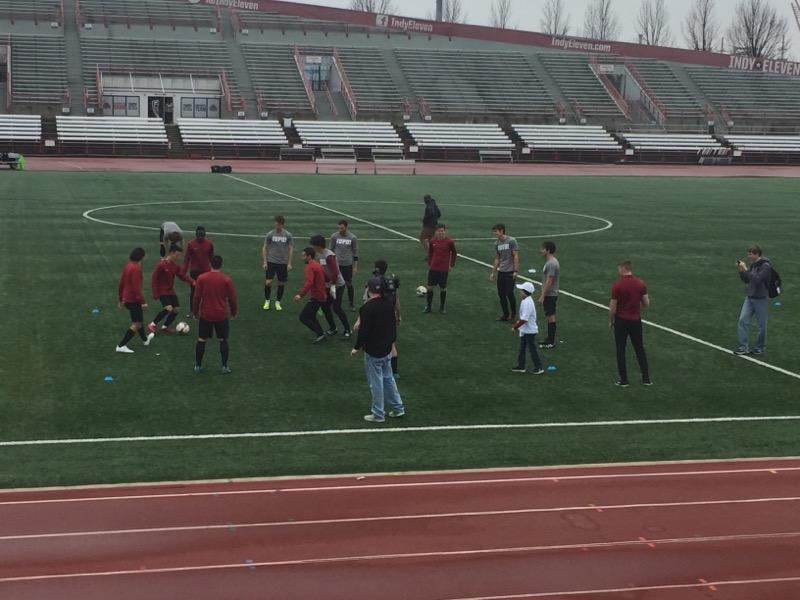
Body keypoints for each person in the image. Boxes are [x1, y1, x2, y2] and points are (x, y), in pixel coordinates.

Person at [351, 277, 405, 423]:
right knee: (388, 378)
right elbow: (392, 326)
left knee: (375, 382)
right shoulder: (388, 304)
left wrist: (356, 347)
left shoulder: (367, 308)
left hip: (373, 351)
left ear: (369, 290)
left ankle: (378, 414)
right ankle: (398, 407)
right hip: (386, 349)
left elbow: (364, 331)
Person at [609, 260, 652, 387]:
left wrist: (611, 321)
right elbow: (646, 303)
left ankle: (624, 380)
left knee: (621, 350)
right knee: (639, 349)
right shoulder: (640, 283)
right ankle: (646, 379)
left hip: (621, 321)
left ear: (623, 268)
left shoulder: (617, 285)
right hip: (635, 321)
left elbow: (613, 307)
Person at [192, 255, 237, 374]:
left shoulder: (202, 278)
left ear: (210, 264)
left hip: (206, 314)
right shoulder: (226, 279)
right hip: (221, 314)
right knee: (223, 339)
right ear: (221, 264)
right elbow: (232, 299)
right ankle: (224, 366)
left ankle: (198, 365)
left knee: (201, 339)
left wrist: (195, 312)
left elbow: (196, 297)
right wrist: (234, 312)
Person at [148, 244, 195, 334]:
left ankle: (165, 327)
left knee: (176, 309)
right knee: (169, 308)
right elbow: (154, 279)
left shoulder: (174, 265)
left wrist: (192, 281)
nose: (177, 257)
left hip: (170, 290)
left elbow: (182, 275)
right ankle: (152, 324)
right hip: (162, 290)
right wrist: (155, 293)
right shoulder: (161, 265)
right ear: (171, 253)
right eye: (177, 255)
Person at [116, 247, 155, 353]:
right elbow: (136, 289)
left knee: (138, 320)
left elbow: (121, 283)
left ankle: (145, 340)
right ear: (141, 257)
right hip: (133, 300)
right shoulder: (137, 269)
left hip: (127, 298)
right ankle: (121, 345)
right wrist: (143, 302)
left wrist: (120, 299)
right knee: (137, 324)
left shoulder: (128, 266)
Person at [735, 245, 773, 356]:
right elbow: (747, 280)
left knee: (761, 325)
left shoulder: (765, 266)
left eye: (750, 254)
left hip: (761, 298)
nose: (749, 256)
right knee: (742, 320)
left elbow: (757, 279)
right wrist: (741, 271)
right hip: (750, 297)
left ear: (757, 254)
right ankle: (743, 347)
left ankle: (760, 347)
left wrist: (746, 269)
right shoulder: (754, 264)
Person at [311, 235, 351, 337]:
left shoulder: (329, 255)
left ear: (319, 245)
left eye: (314, 245)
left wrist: (333, 286)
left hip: (337, 285)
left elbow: (335, 272)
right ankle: (333, 328)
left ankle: (348, 329)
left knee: (337, 308)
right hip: (328, 285)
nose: (313, 247)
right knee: (325, 307)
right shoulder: (319, 255)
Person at [293, 247, 328, 344]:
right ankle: (321, 333)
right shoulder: (318, 265)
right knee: (311, 316)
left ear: (309, 256)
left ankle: (320, 333)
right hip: (322, 295)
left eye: (304, 256)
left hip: (317, 297)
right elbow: (326, 277)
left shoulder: (310, 267)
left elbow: (309, 282)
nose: (302, 258)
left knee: (303, 317)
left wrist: (300, 295)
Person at [511, 282, 544, 375]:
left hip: (529, 331)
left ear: (525, 292)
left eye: (521, 291)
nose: (520, 292)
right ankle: (521, 366)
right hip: (525, 330)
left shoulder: (527, 303)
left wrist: (515, 327)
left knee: (532, 349)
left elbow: (524, 319)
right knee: (522, 349)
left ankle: (539, 367)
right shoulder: (526, 301)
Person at [262, 215, 293, 312]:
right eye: (275, 224)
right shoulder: (270, 234)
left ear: (282, 225)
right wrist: (265, 261)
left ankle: (278, 302)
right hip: (271, 261)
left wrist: (289, 263)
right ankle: (267, 300)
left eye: (278, 224)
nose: (276, 226)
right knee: (268, 282)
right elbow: (265, 247)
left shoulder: (288, 235)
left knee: (281, 283)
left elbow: (290, 248)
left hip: (282, 262)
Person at [425, 223, 457, 314]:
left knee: (443, 288)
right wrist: (430, 262)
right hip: (433, 267)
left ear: (445, 231)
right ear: (436, 231)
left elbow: (454, 253)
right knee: (430, 287)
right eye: (439, 231)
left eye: (442, 231)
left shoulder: (449, 242)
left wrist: (451, 264)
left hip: (443, 268)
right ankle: (428, 307)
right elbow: (430, 252)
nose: (441, 233)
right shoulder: (432, 241)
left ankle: (442, 307)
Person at [489, 224, 519, 322]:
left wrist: (515, 270)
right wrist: (493, 272)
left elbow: (515, 256)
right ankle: (505, 314)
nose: (494, 233)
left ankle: (513, 315)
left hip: (510, 272)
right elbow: (497, 258)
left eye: (496, 231)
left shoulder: (511, 241)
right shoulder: (496, 243)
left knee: (509, 293)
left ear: (502, 231)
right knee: (501, 294)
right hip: (501, 272)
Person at [184, 226, 214, 315]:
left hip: (206, 272)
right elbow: (186, 258)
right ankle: (192, 311)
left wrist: (213, 270)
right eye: (199, 236)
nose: (201, 237)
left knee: (206, 292)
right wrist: (184, 271)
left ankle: (206, 310)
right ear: (196, 235)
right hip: (194, 272)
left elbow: (211, 257)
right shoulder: (191, 244)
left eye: (202, 236)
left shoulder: (209, 244)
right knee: (193, 292)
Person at [330, 220, 359, 312]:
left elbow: (355, 253)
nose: (340, 230)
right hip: (336, 264)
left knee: (348, 283)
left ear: (346, 227)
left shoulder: (352, 238)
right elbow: (331, 250)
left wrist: (355, 267)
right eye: (338, 228)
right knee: (334, 283)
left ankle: (351, 304)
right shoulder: (334, 236)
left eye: (341, 228)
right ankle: (333, 303)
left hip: (347, 264)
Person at [538, 241, 560, 349]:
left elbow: (549, 280)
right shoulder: (551, 261)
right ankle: (549, 338)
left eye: (543, 249)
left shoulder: (551, 263)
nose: (541, 251)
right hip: (550, 293)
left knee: (551, 316)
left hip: (550, 294)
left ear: (548, 250)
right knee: (549, 316)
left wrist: (543, 295)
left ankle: (551, 341)